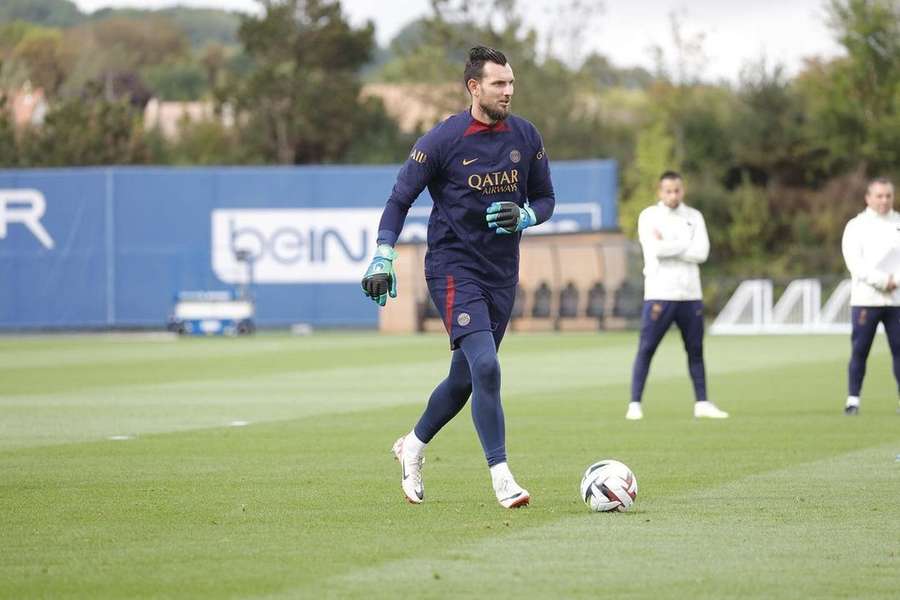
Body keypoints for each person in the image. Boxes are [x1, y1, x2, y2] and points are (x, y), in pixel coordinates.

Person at [360, 46, 555, 508]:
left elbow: (547, 198)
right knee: (487, 366)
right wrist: (383, 254)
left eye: (511, 83)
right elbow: (398, 199)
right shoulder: (442, 140)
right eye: (499, 84)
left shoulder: (526, 136)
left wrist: (527, 215)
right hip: (452, 268)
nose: (508, 91)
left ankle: (412, 445)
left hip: (502, 275)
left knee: (465, 380)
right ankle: (502, 476)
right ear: (474, 87)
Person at [625, 171, 728, 420]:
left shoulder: (694, 217)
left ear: (683, 190)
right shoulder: (650, 216)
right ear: (660, 192)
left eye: (677, 190)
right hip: (660, 293)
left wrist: (671, 244)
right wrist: (684, 243)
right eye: (668, 190)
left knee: (695, 349)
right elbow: (655, 249)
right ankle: (635, 403)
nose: (673, 195)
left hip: (690, 294)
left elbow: (701, 252)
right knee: (647, 348)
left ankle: (702, 402)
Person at [840, 177, 900, 416]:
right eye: (879, 196)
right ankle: (853, 399)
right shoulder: (856, 226)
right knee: (860, 350)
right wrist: (882, 281)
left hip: (897, 299)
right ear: (868, 198)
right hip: (867, 299)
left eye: (888, 196)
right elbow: (855, 263)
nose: (884, 200)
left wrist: (895, 281)